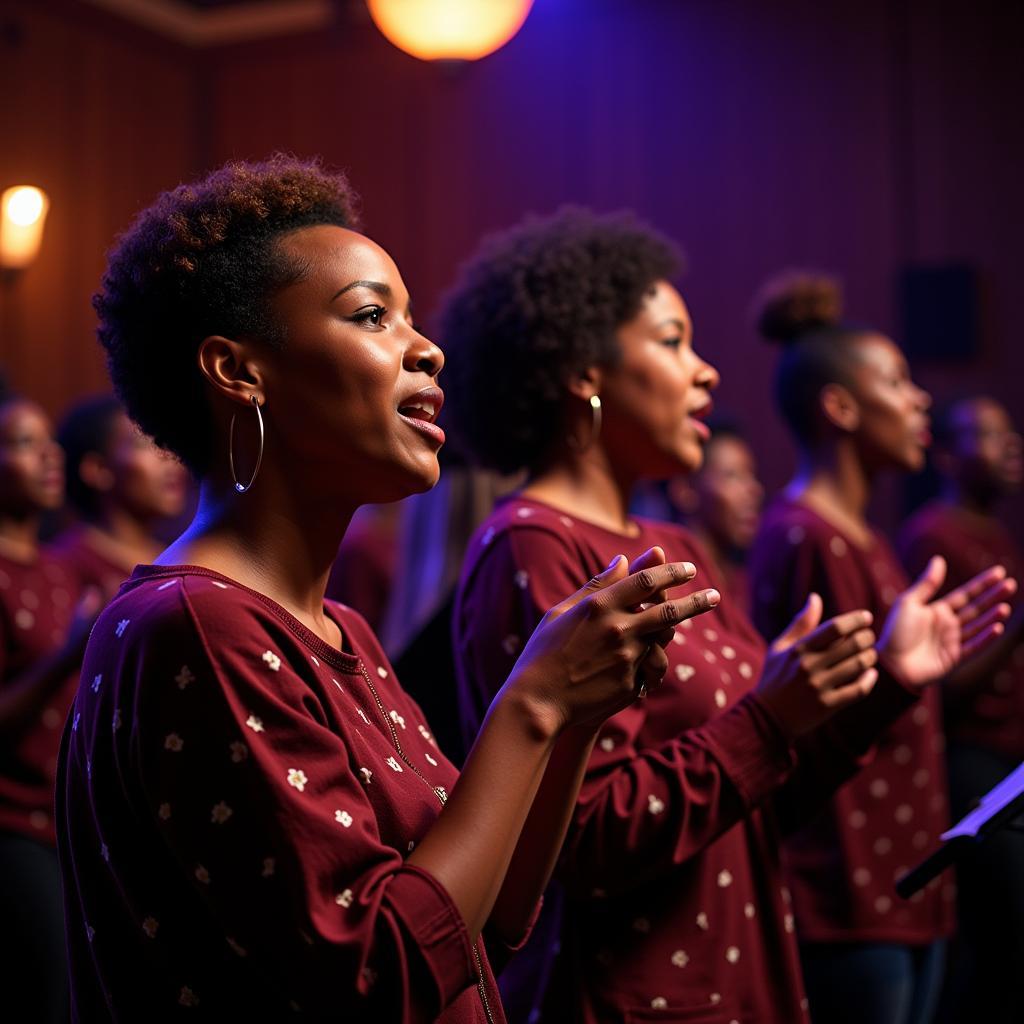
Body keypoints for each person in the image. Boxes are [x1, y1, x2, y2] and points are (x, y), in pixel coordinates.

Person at [55, 156, 724, 1023]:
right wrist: (529, 705)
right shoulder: (196, 621)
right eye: (373, 316)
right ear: (239, 371)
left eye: (410, 317)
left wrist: (574, 715)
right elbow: (375, 976)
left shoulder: (341, 630)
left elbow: (492, 921)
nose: (426, 346)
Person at [439, 210, 1010, 1024]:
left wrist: (886, 683)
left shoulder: (675, 543)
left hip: (740, 979)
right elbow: (584, 842)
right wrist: (769, 721)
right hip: (637, 998)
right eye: (672, 341)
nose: (705, 372)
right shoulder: (533, 548)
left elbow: (756, 792)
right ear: (580, 369)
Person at [747, 272, 1009, 1024]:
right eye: (896, 382)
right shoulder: (804, 535)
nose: (921, 399)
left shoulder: (867, 537)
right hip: (847, 887)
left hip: (905, 872)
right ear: (841, 407)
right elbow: (807, 720)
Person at [898, 395, 1024, 1023]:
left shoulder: (998, 534)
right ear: (946, 455)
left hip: (1010, 758)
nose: (1011, 445)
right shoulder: (933, 538)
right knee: (999, 942)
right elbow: (940, 688)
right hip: (970, 759)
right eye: (989, 435)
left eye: (1009, 433)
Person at [0, 392, 98, 1024]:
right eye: (23, 443)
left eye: (49, 441)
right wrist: (64, 655)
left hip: (68, 822)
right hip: (13, 824)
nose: (48, 456)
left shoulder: (61, 570)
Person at [53, 394, 190, 595]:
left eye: (165, 442)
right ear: (99, 469)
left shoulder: (180, 557)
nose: (170, 457)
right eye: (144, 444)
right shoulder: (66, 566)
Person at [635, 418, 763, 612]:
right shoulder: (665, 585)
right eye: (732, 476)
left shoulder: (745, 585)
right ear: (684, 490)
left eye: (751, 475)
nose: (754, 489)